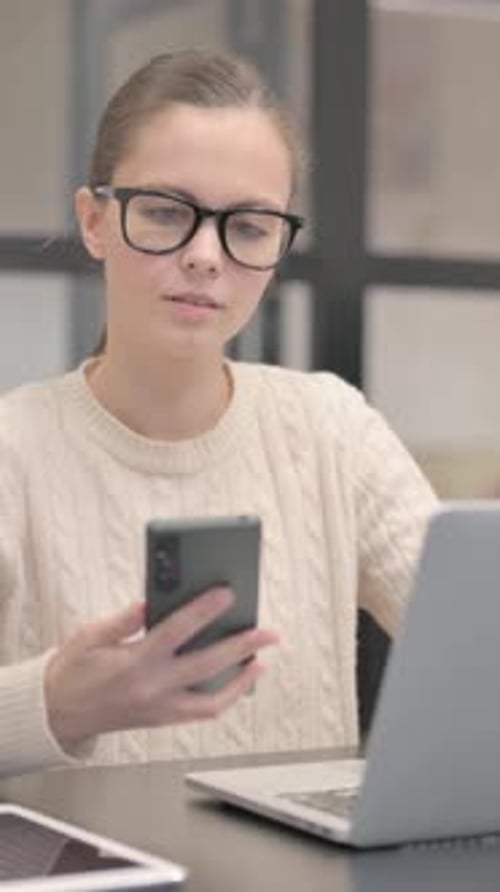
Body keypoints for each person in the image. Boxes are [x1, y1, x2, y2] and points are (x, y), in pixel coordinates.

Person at [0, 49, 436, 778]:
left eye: (250, 226)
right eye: (168, 212)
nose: (206, 256)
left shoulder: (334, 430)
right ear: (95, 221)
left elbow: (474, 644)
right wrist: (54, 703)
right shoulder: (13, 452)